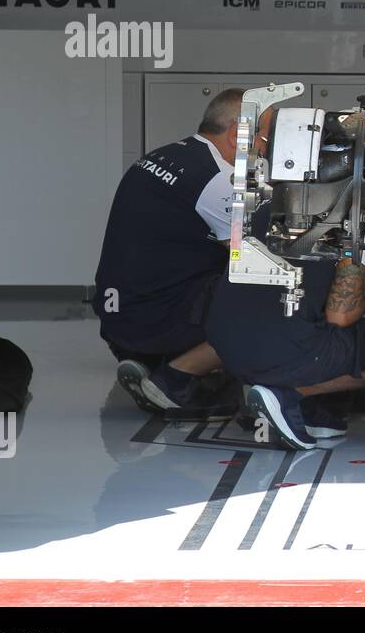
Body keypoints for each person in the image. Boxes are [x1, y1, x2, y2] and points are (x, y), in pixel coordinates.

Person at [94, 88, 267, 412]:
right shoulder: (220, 181)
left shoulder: (161, 156)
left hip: (119, 325)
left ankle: (159, 360)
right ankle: (176, 378)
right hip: (154, 326)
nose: (266, 150)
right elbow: (261, 260)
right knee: (270, 292)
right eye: (265, 140)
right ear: (236, 135)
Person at [199, 250, 365, 450]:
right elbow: (341, 316)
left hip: (226, 347)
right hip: (281, 349)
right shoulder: (362, 222)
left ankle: (300, 406)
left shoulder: (255, 218)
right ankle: (288, 395)